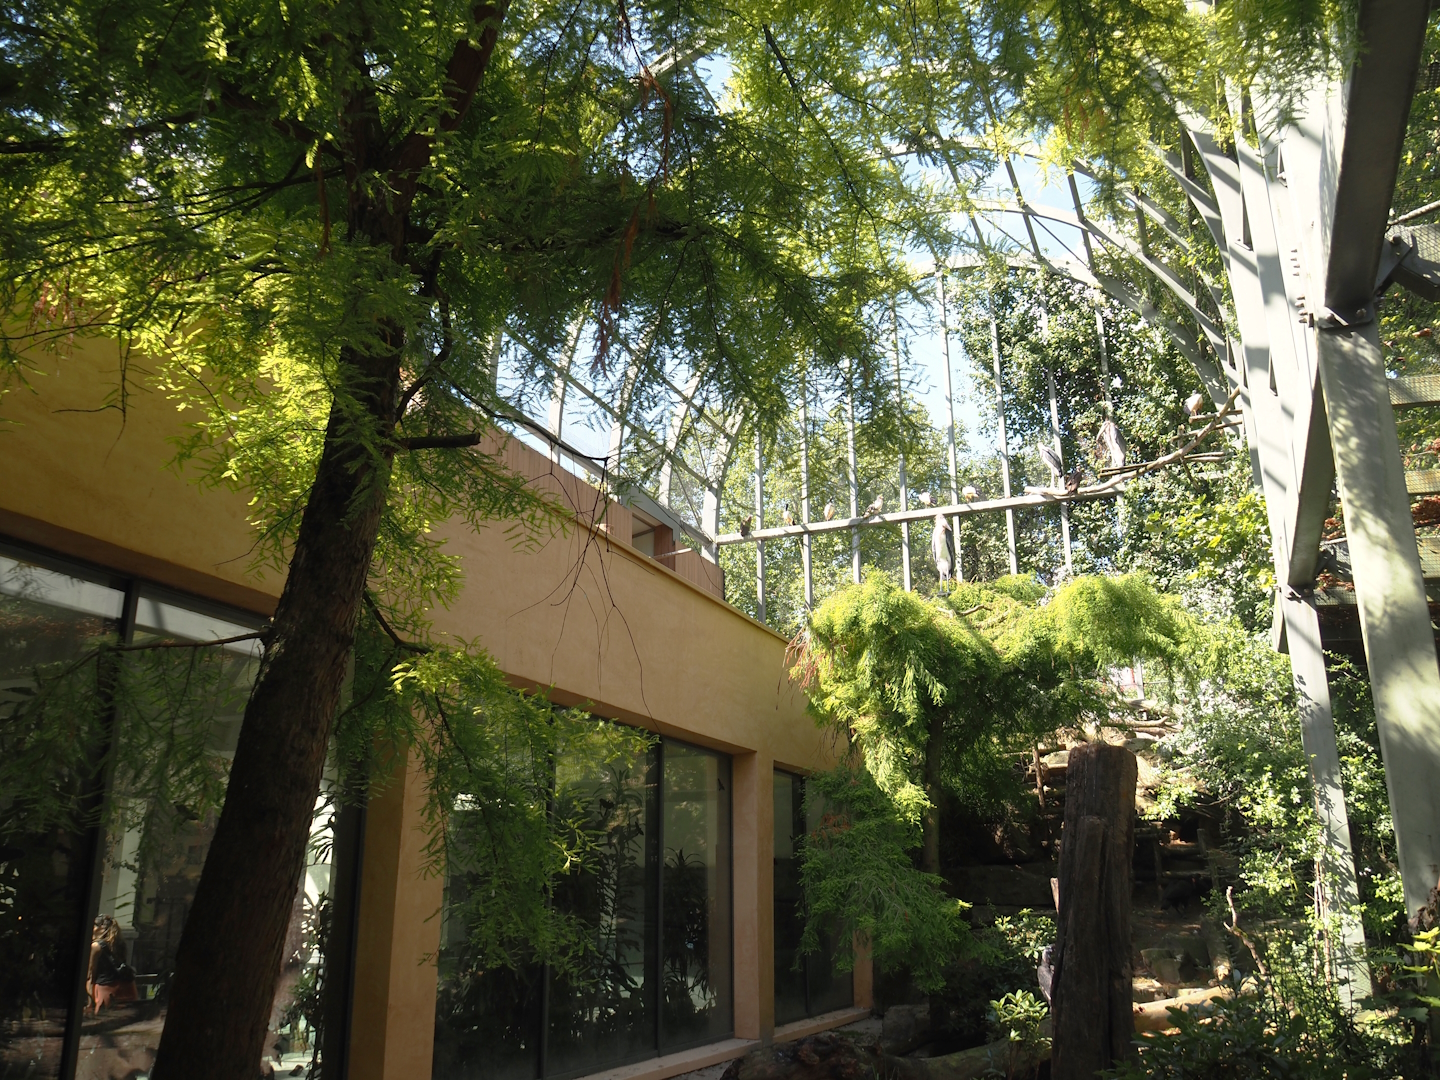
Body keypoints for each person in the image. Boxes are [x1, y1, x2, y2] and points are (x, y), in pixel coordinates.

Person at [87, 914, 138, 1012]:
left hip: (107, 990)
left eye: (93, 926)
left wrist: (89, 1003)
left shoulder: (96, 946)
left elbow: (90, 976)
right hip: (129, 988)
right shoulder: (120, 944)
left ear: (101, 928)